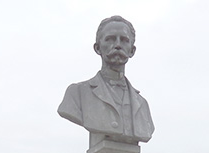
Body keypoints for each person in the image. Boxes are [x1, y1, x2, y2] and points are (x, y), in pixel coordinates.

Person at [58, 16, 155, 144]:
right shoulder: (77, 93)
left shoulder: (142, 104)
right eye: (110, 39)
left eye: (124, 40)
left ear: (132, 51)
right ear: (97, 48)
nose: (118, 45)